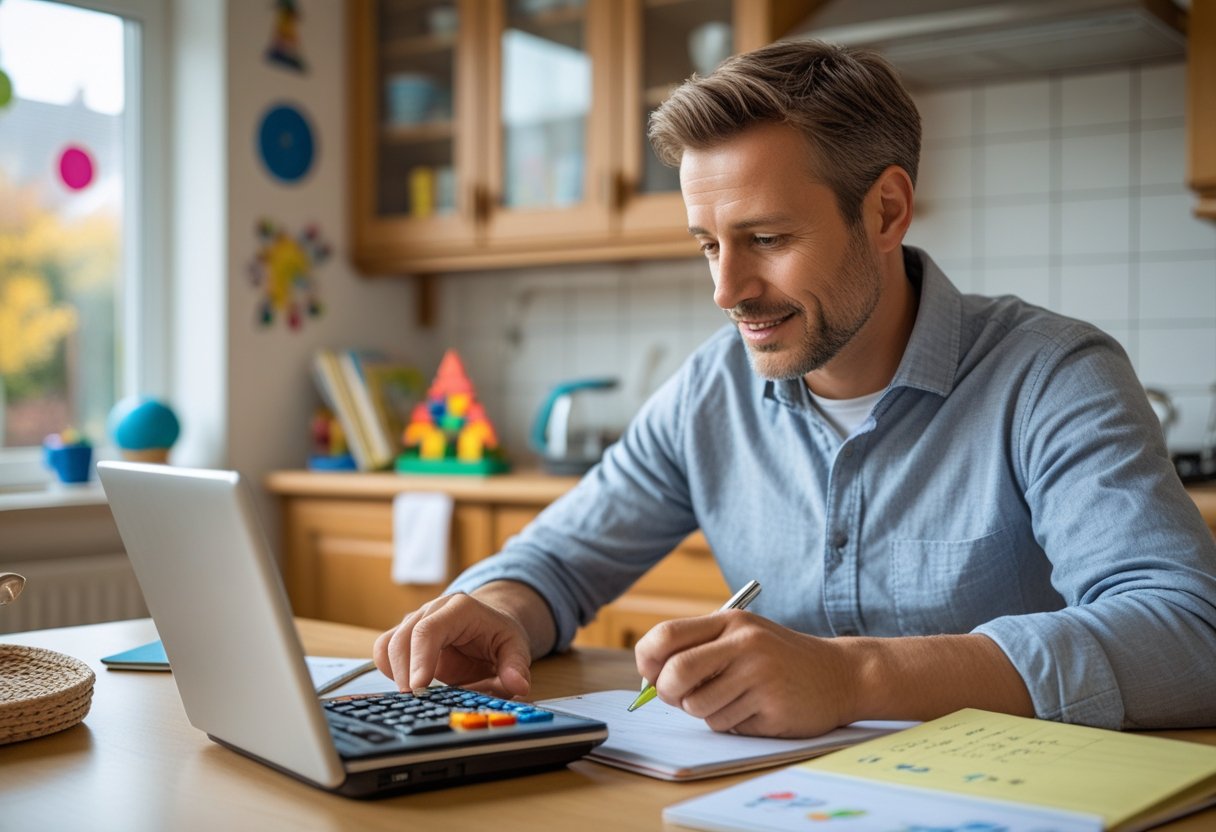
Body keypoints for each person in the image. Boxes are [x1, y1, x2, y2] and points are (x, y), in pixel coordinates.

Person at [374, 40, 1216, 738]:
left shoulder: (1051, 376)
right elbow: (558, 557)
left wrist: (855, 674)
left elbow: (1188, 637)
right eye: (708, 245)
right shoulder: (713, 387)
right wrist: (499, 609)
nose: (727, 289)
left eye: (766, 237)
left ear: (886, 212)